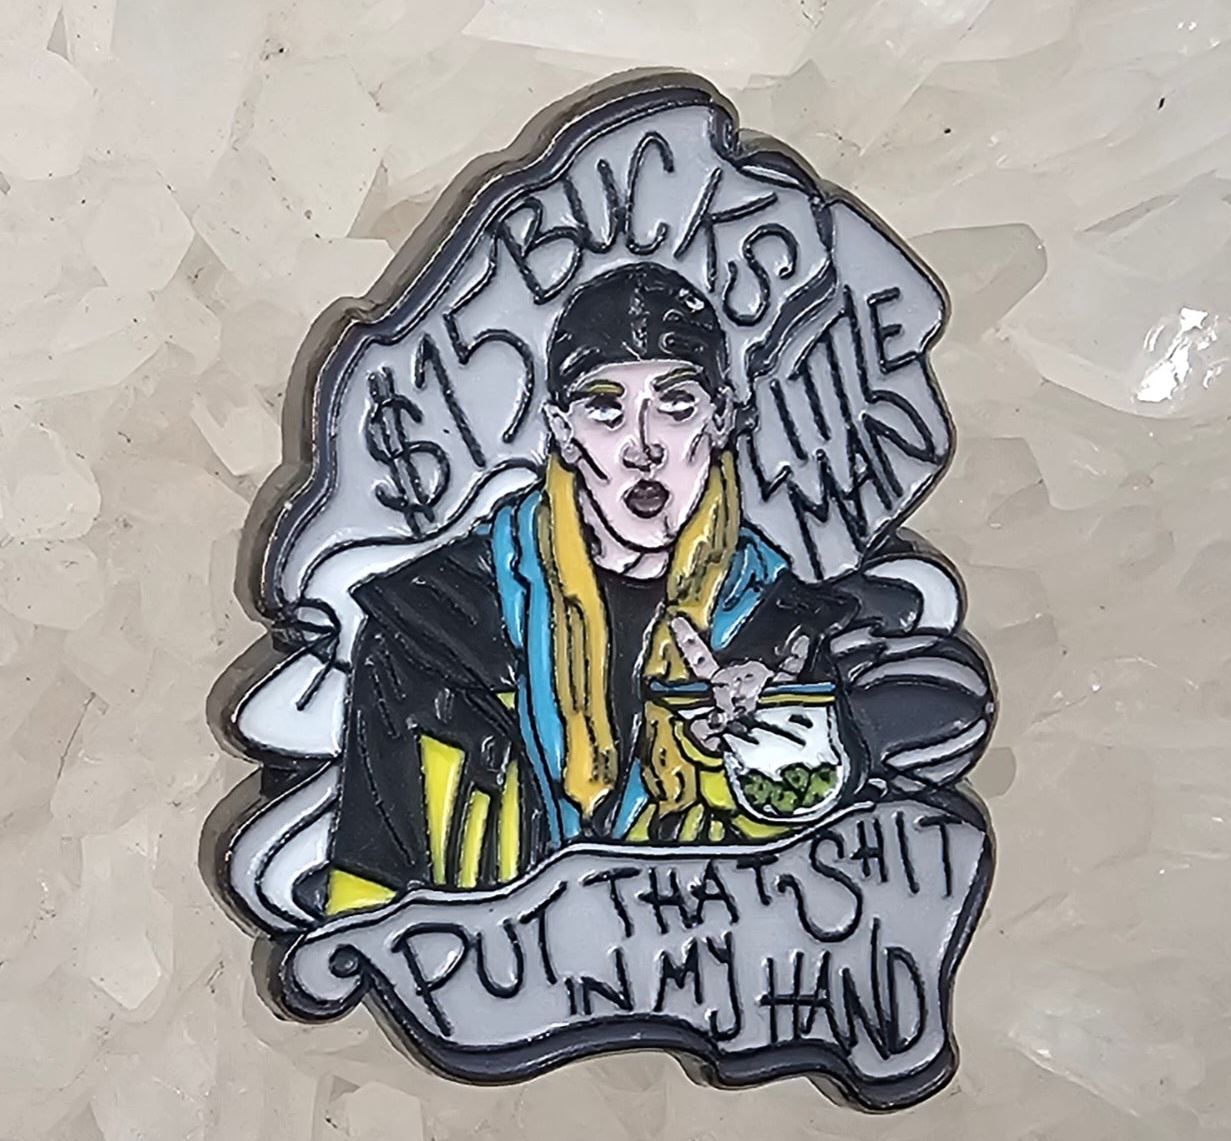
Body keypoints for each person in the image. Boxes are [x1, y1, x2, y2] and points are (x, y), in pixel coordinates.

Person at [325, 263, 992, 914]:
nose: (642, 446)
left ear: (720, 419)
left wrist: (766, 753)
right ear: (561, 432)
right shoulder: (437, 624)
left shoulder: (778, 632)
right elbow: (363, 888)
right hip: (489, 975)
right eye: (604, 409)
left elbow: (818, 894)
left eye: (675, 406)